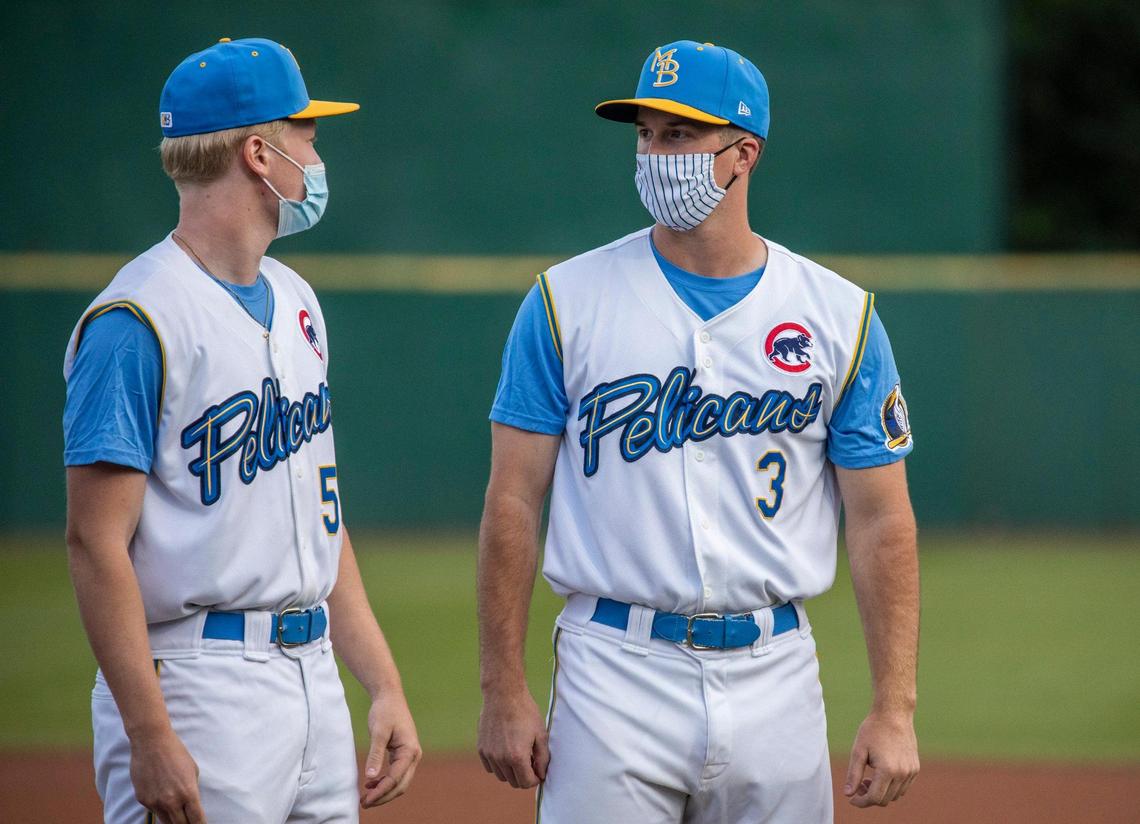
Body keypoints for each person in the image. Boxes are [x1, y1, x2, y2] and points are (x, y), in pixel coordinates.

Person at [476, 40, 919, 822]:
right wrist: (501, 686)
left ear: (743, 152)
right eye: (645, 134)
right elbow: (513, 501)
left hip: (775, 670)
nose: (654, 154)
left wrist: (895, 707)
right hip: (613, 668)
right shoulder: (563, 301)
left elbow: (882, 519)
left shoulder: (840, 316)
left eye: (678, 136)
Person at [63, 37, 420, 823]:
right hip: (197, 685)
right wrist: (149, 732)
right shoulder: (137, 320)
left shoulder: (296, 299)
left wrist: (382, 682)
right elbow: (94, 544)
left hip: (313, 678)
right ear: (260, 153)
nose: (316, 151)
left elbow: (319, 518)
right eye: (306, 133)